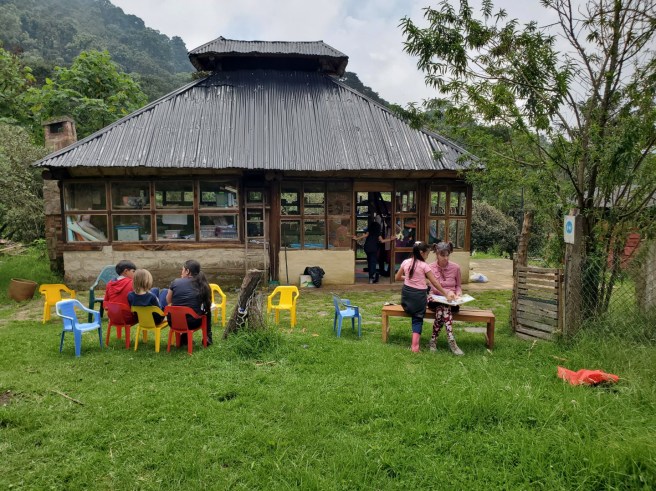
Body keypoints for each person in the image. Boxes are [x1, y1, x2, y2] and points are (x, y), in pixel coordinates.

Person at [395, 242, 453, 352]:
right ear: (421, 253)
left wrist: (409, 278)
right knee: (417, 319)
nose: (427, 256)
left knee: (415, 314)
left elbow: (397, 277)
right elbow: (434, 282)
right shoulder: (424, 265)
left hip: (406, 300)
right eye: (427, 254)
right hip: (418, 298)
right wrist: (446, 294)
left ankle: (415, 346)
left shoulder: (406, 262)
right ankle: (415, 347)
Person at [428, 242, 464, 355]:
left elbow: (458, 286)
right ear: (437, 254)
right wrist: (448, 293)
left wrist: (458, 294)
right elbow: (434, 288)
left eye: (447, 255)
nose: (446, 258)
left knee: (441, 310)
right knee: (443, 307)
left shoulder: (456, 267)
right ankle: (451, 341)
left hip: (452, 302)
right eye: (442, 255)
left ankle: (433, 341)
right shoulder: (430, 268)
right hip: (435, 299)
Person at [166, 259, 213, 345]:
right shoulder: (201, 284)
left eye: (182, 269)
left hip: (173, 322)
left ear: (187, 271)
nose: (181, 272)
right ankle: (207, 337)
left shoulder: (175, 282)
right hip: (193, 323)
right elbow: (206, 304)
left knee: (183, 309)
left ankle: (184, 338)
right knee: (207, 312)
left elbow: (168, 301)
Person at [352, 215, 393, 283]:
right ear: (378, 228)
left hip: (367, 248)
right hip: (373, 248)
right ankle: (372, 277)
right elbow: (382, 241)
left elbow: (365, 235)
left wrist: (356, 238)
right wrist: (391, 239)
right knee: (373, 262)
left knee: (369, 261)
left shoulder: (369, 231)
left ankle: (371, 276)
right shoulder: (378, 233)